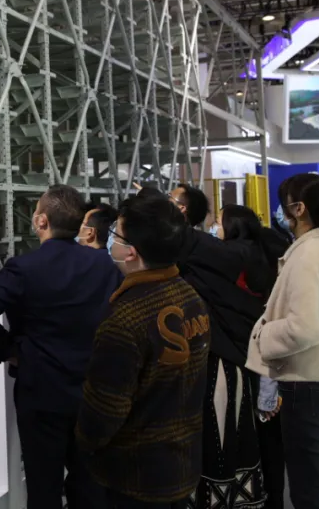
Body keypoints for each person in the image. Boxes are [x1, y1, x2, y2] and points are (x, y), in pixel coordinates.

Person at [0, 184, 114, 509]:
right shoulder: (103, 264)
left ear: (41, 221)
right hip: (93, 390)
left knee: (43, 485)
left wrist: (9, 350)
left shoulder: (24, 267)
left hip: (41, 391)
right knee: (90, 485)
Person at [76, 195, 211, 509]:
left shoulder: (125, 319)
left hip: (135, 474)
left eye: (116, 233)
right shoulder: (190, 297)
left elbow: (104, 411)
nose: (110, 239)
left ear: (131, 252)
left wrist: (84, 442)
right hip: (182, 460)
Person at [246, 173, 319, 509]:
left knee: (310, 493)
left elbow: (305, 328)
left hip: (309, 387)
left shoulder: (308, 254)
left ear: (297, 208)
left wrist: (263, 335)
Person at [208, 204, 288, 509]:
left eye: (219, 222)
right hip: (270, 364)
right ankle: (273, 497)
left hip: (248, 361)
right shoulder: (266, 253)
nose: (215, 228)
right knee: (271, 442)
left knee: (252, 437)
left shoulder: (234, 262)